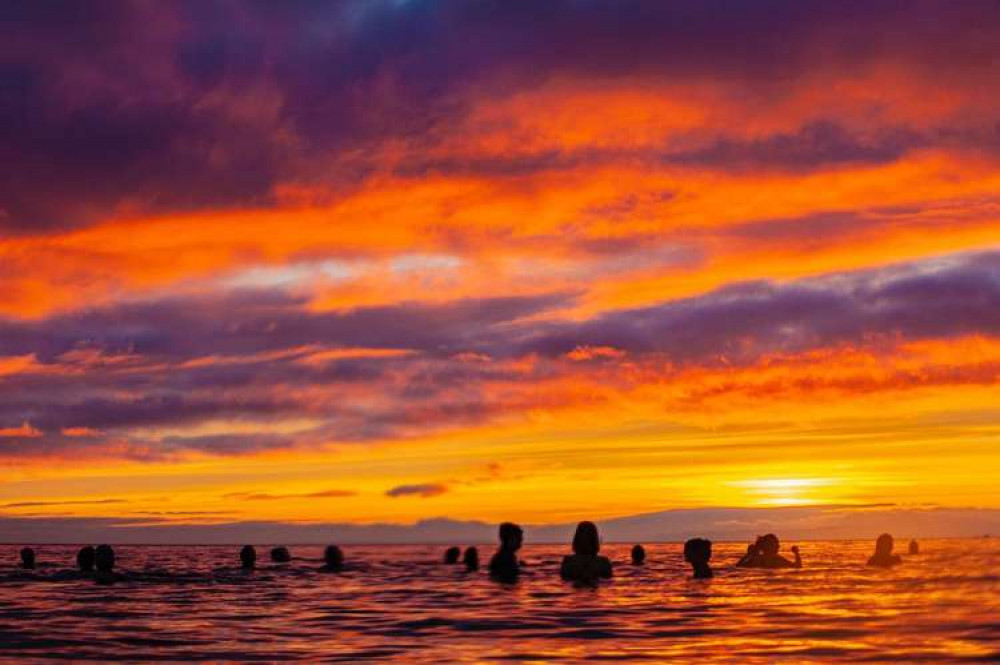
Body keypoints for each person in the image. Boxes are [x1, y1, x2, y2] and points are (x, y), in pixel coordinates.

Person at [736, 534, 801, 569]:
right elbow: (797, 567)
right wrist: (796, 553)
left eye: (777, 544)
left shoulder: (756, 559)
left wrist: (748, 555)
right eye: (775, 544)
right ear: (768, 546)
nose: (778, 546)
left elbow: (738, 567)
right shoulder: (777, 560)